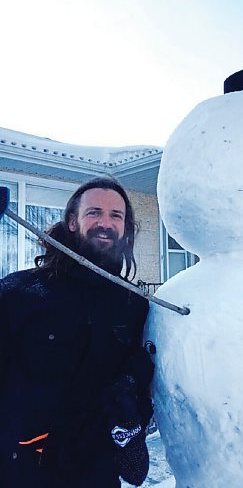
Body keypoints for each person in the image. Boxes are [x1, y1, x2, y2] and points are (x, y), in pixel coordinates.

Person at [0, 177, 154, 488]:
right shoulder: (19, 293)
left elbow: (138, 386)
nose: (105, 223)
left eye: (116, 215)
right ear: (72, 222)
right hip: (21, 468)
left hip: (95, 472)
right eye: (94, 212)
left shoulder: (133, 305)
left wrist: (130, 408)